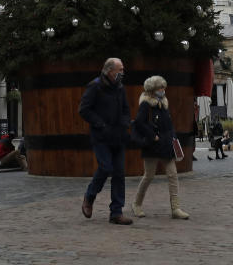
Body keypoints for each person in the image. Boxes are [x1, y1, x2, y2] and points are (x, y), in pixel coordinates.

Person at [79, 57, 133, 225]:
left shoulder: (120, 88)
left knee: (119, 173)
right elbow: (84, 110)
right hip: (101, 136)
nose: (122, 73)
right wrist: (99, 124)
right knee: (105, 167)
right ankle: (90, 196)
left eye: (123, 70)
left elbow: (126, 109)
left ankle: (116, 212)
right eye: (120, 70)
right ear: (110, 71)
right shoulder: (95, 86)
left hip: (118, 136)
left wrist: (125, 122)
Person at [131, 75, 189, 220]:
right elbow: (139, 122)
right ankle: (137, 204)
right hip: (152, 145)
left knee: (173, 175)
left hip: (166, 144)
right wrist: (152, 136)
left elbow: (169, 126)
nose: (163, 90)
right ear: (152, 89)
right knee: (149, 176)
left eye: (163, 87)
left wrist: (173, 139)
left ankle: (176, 208)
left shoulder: (164, 103)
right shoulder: (146, 104)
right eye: (160, 88)